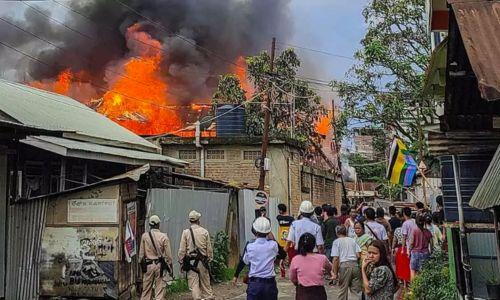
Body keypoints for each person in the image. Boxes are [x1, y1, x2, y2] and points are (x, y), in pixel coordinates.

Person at [178, 210, 214, 300]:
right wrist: (209, 259)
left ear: (190, 220)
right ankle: (208, 298)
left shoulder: (186, 232)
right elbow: (209, 248)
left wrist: (181, 262)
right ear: (198, 220)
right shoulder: (204, 232)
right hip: (203, 261)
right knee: (206, 285)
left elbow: (182, 250)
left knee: (194, 285)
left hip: (191, 262)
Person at [243, 217, 280, 300]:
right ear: (268, 231)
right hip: (270, 284)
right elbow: (277, 253)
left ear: (255, 230)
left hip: (255, 284)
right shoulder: (273, 245)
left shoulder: (250, 246)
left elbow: (246, 261)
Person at [139, 215, 173, 300]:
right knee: (160, 288)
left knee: (146, 289)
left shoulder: (145, 236)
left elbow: (141, 255)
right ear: (158, 224)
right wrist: (170, 266)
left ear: (150, 225)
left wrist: (142, 267)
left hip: (148, 265)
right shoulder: (164, 237)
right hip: (160, 266)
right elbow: (169, 256)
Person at [290, 233, 332, 300]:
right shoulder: (322, 258)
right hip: (319, 293)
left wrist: (298, 283)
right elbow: (331, 269)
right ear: (314, 245)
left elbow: (293, 278)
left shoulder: (296, 259)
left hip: (303, 293)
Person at [331, 225, 362, 300]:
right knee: (356, 291)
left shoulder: (336, 242)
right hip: (355, 266)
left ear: (337, 233)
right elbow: (358, 255)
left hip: (344, 266)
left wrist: (335, 273)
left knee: (343, 290)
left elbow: (335, 259)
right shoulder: (352, 240)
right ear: (346, 232)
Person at [409, 214, 433, 280]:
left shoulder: (414, 231)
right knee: (424, 272)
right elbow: (431, 245)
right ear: (424, 222)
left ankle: (414, 288)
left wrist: (409, 252)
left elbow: (411, 243)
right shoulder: (428, 232)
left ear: (416, 222)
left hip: (415, 253)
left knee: (413, 271)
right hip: (425, 253)